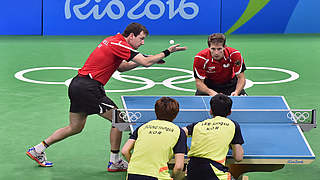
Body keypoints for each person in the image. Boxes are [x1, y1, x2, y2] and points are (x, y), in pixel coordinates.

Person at [26, 22, 187, 171]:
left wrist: (144, 60)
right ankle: (115, 161)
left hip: (78, 85)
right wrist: (167, 52)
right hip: (89, 88)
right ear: (131, 36)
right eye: (141, 38)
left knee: (75, 127)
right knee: (121, 120)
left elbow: (122, 67)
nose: (142, 42)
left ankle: (38, 149)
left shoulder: (113, 41)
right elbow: (145, 62)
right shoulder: (119, 43)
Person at [121, 97, 187, 180]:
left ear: (156, 111)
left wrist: (133, 165)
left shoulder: (143, 127)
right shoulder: (179, 132)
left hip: (133, 174)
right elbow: (179, 167)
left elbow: (124, 151)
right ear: (176, 113)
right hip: (158, 176)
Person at [183, 94, 244, 180]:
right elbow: (238, 157)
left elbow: (179, 133)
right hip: (214, 172)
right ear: (230, 112)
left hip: (192, 170)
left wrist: (186, 149)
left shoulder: (197, 125)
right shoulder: (233, 125)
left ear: (210, 111)